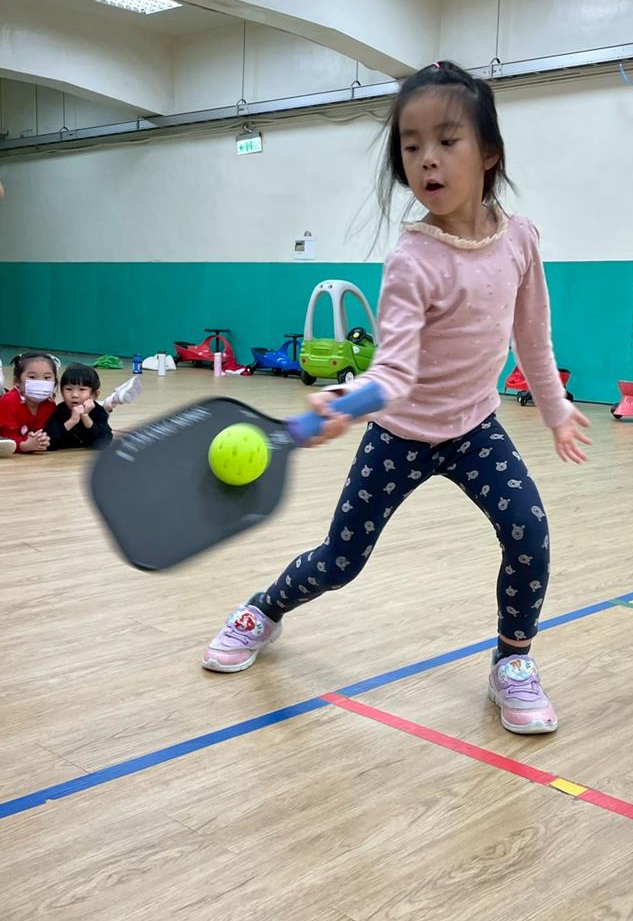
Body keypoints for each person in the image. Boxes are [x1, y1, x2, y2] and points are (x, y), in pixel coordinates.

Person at [202, 60, 591, 735]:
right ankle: (263, 610)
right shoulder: (412, 260)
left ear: (488, 152)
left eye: (446, 140)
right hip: (399, 434)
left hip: (474, 431)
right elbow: (394, 373)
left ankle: (512, 660)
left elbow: (531, 335)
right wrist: (347, 401)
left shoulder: (520, 240)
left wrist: (555, 409)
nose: (426, 159)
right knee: (340, 561)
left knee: (528, 534)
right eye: (411, 147)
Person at [0, 352, 58, 455]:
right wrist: (24, 446)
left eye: (47, 377)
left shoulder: (50, 405)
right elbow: (6, 441)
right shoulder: (8, 402)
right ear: (17, 381)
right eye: (32, 377)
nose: (40, 382)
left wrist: (43, 441)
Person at [45, 363, 113, 450]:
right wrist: (72, 421)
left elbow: (105, 440)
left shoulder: (98, 411)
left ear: (94, 395)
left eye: (82, 389)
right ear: (62, 392)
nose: (74, 395)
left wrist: (85, 416)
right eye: (69, 389)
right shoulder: (59, 411)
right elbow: (49, 442)